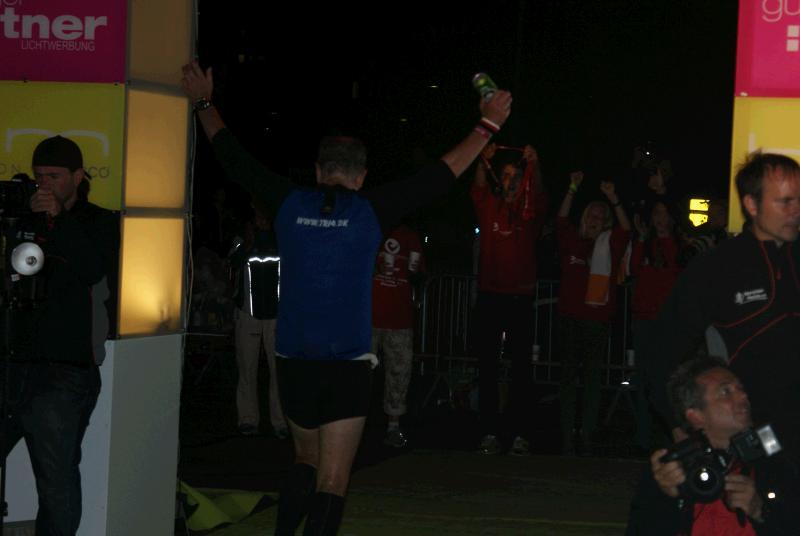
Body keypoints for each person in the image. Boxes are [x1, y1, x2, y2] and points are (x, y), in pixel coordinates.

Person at [181, 60, 512, 535]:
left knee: (305, 459)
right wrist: (488, 124)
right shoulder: (372, 209)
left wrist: (203, 101)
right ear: (361, 177)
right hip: (347, 362)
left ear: (319, 171)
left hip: (294, 357)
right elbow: (443, 174)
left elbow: (232, 156)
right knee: (334, 479)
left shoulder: (288, 201)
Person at [646, 152, 800, 467]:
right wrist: (679, 425)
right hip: (756, 436)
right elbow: (662, 352)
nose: (795, 210)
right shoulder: (718, 268)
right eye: (784, 201)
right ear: (752, 205)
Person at [1, 136, 119, 535]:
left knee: (55, 480)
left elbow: (93, 269)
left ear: (78, 176)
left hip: (64, 371)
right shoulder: (25, 219)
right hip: (14, 361)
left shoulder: (100, 222)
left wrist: (59, 220)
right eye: (39, 176)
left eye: (54, 176)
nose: (45, 184)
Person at [627, 356, 799, 534]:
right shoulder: (674, 468)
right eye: (726, 392)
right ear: (696, 416)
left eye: (740, 388)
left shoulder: (774, 459)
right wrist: (667, 497)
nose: (743, 396)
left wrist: (761, 511)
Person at [470, 142, 547, 456]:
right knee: (487, 366)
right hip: (490, 296)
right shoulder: (489, 204)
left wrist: (535, 165)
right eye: (505, 175)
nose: (511, 180)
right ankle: (488, 432)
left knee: (521, 370)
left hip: (520, 298)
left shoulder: (530, 211)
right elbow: (477, 187)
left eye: (517, 176)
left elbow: (538, 190)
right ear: (498, 179)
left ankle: (520, 433)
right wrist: (482, 160)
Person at [555, 170, 631, 455]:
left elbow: (626, 230)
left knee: (591, 382)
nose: (595, 219)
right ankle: (566, 436)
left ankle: (586, 435)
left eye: (601, 216)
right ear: (584, 218)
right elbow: (560, 220)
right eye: (591, 215)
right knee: (567, 380)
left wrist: (614, 198)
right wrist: (572, 188)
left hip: (597, 322)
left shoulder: (610, 244)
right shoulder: (571, 240)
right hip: (570, 319)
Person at [229, 202, 287, 438]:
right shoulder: (242, 237)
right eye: (257, 214)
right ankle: (248, 419)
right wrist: (249, 242)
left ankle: (280, 422)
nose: (261, 218)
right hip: (248, 314)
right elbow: (232, 263)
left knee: (279, 371)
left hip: (277, 316)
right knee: (247, 368)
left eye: (265, 213)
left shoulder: (282, 237)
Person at [630, 201, 684, 450]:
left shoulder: (680, 244)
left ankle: (669, 435)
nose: (661, 218)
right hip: (644, 320)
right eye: (657, 213)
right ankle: (642, 437)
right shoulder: (645, 243)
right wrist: (642, 240)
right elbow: (633, 270)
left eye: (665, 213)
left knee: (668, 381)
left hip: (669, 323)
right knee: (643, 380)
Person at [371, 223, 424, 448]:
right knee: (357, 374)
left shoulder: (411, 236)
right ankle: (352, 425)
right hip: (367, 319)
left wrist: (413, 273)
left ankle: (393, 426)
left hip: (399, 319)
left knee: (399, 374)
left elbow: (418, 274)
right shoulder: (370, 228)